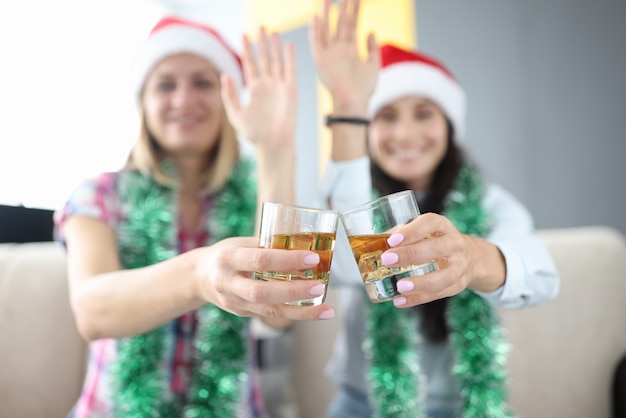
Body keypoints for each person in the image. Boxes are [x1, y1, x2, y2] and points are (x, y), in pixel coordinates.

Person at [54, 15, 335, 417]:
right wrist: (199, 273)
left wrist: (275, 149)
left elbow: (276, 318)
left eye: (203, 83)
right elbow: (92, 311)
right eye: (165, 84)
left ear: (228, 98)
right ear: (143, 103)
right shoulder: (99, 194)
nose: (184, 100)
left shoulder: (251, 195)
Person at [309, 1, 560, 417]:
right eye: (386, 116)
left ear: (448, 126)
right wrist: (350, 108)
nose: (405, 134)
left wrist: (471, 258)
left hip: (461, 405)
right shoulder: (348, 196)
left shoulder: (488, 203)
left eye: (423, 114)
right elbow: (346, 268)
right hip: (362, 403)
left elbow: (543, 277)